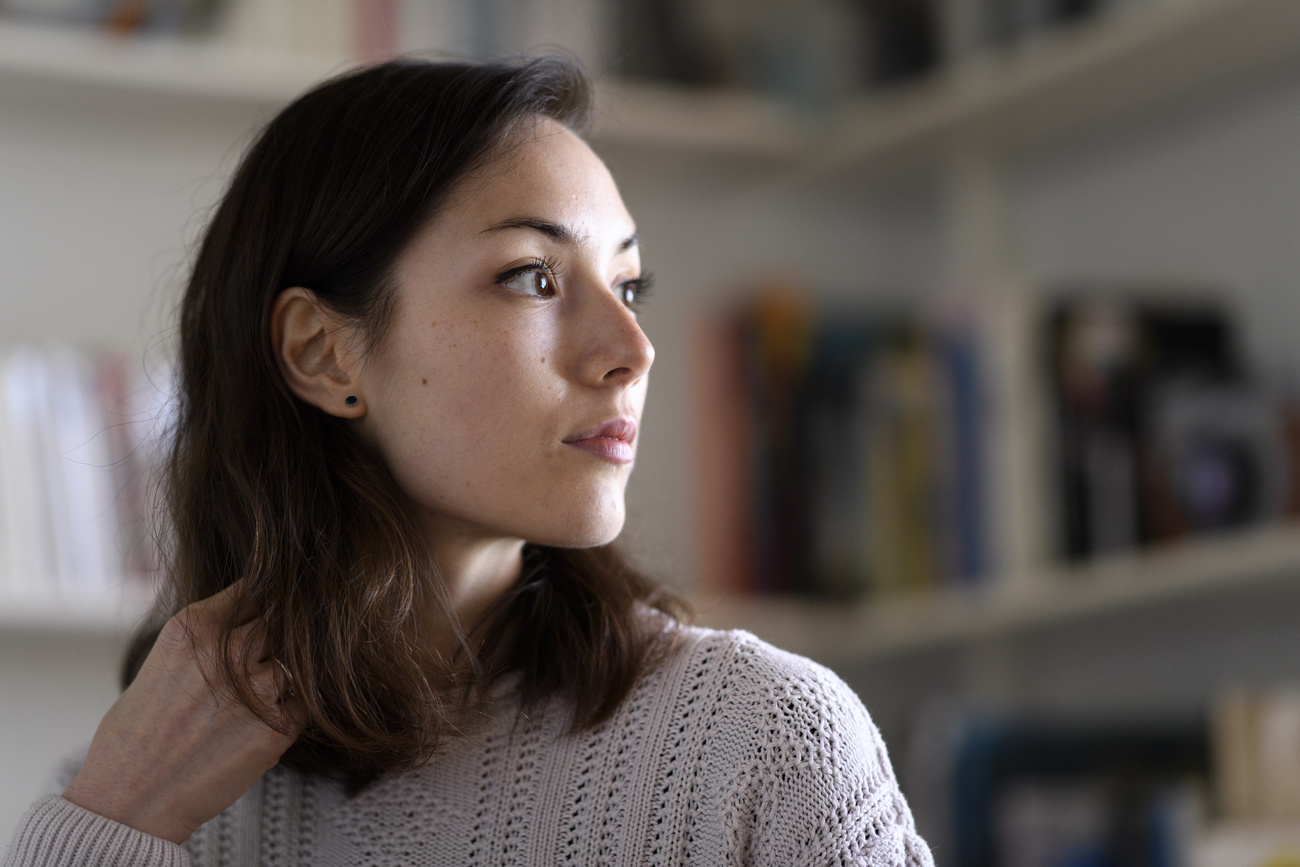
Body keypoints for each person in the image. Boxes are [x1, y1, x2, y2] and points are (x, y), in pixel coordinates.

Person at [2, 57, 933, 867]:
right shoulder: (146, 795)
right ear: (324, 354)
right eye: (534, 276)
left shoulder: (762, 741)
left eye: (629, 285)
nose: (632, 349)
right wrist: (115, 816)